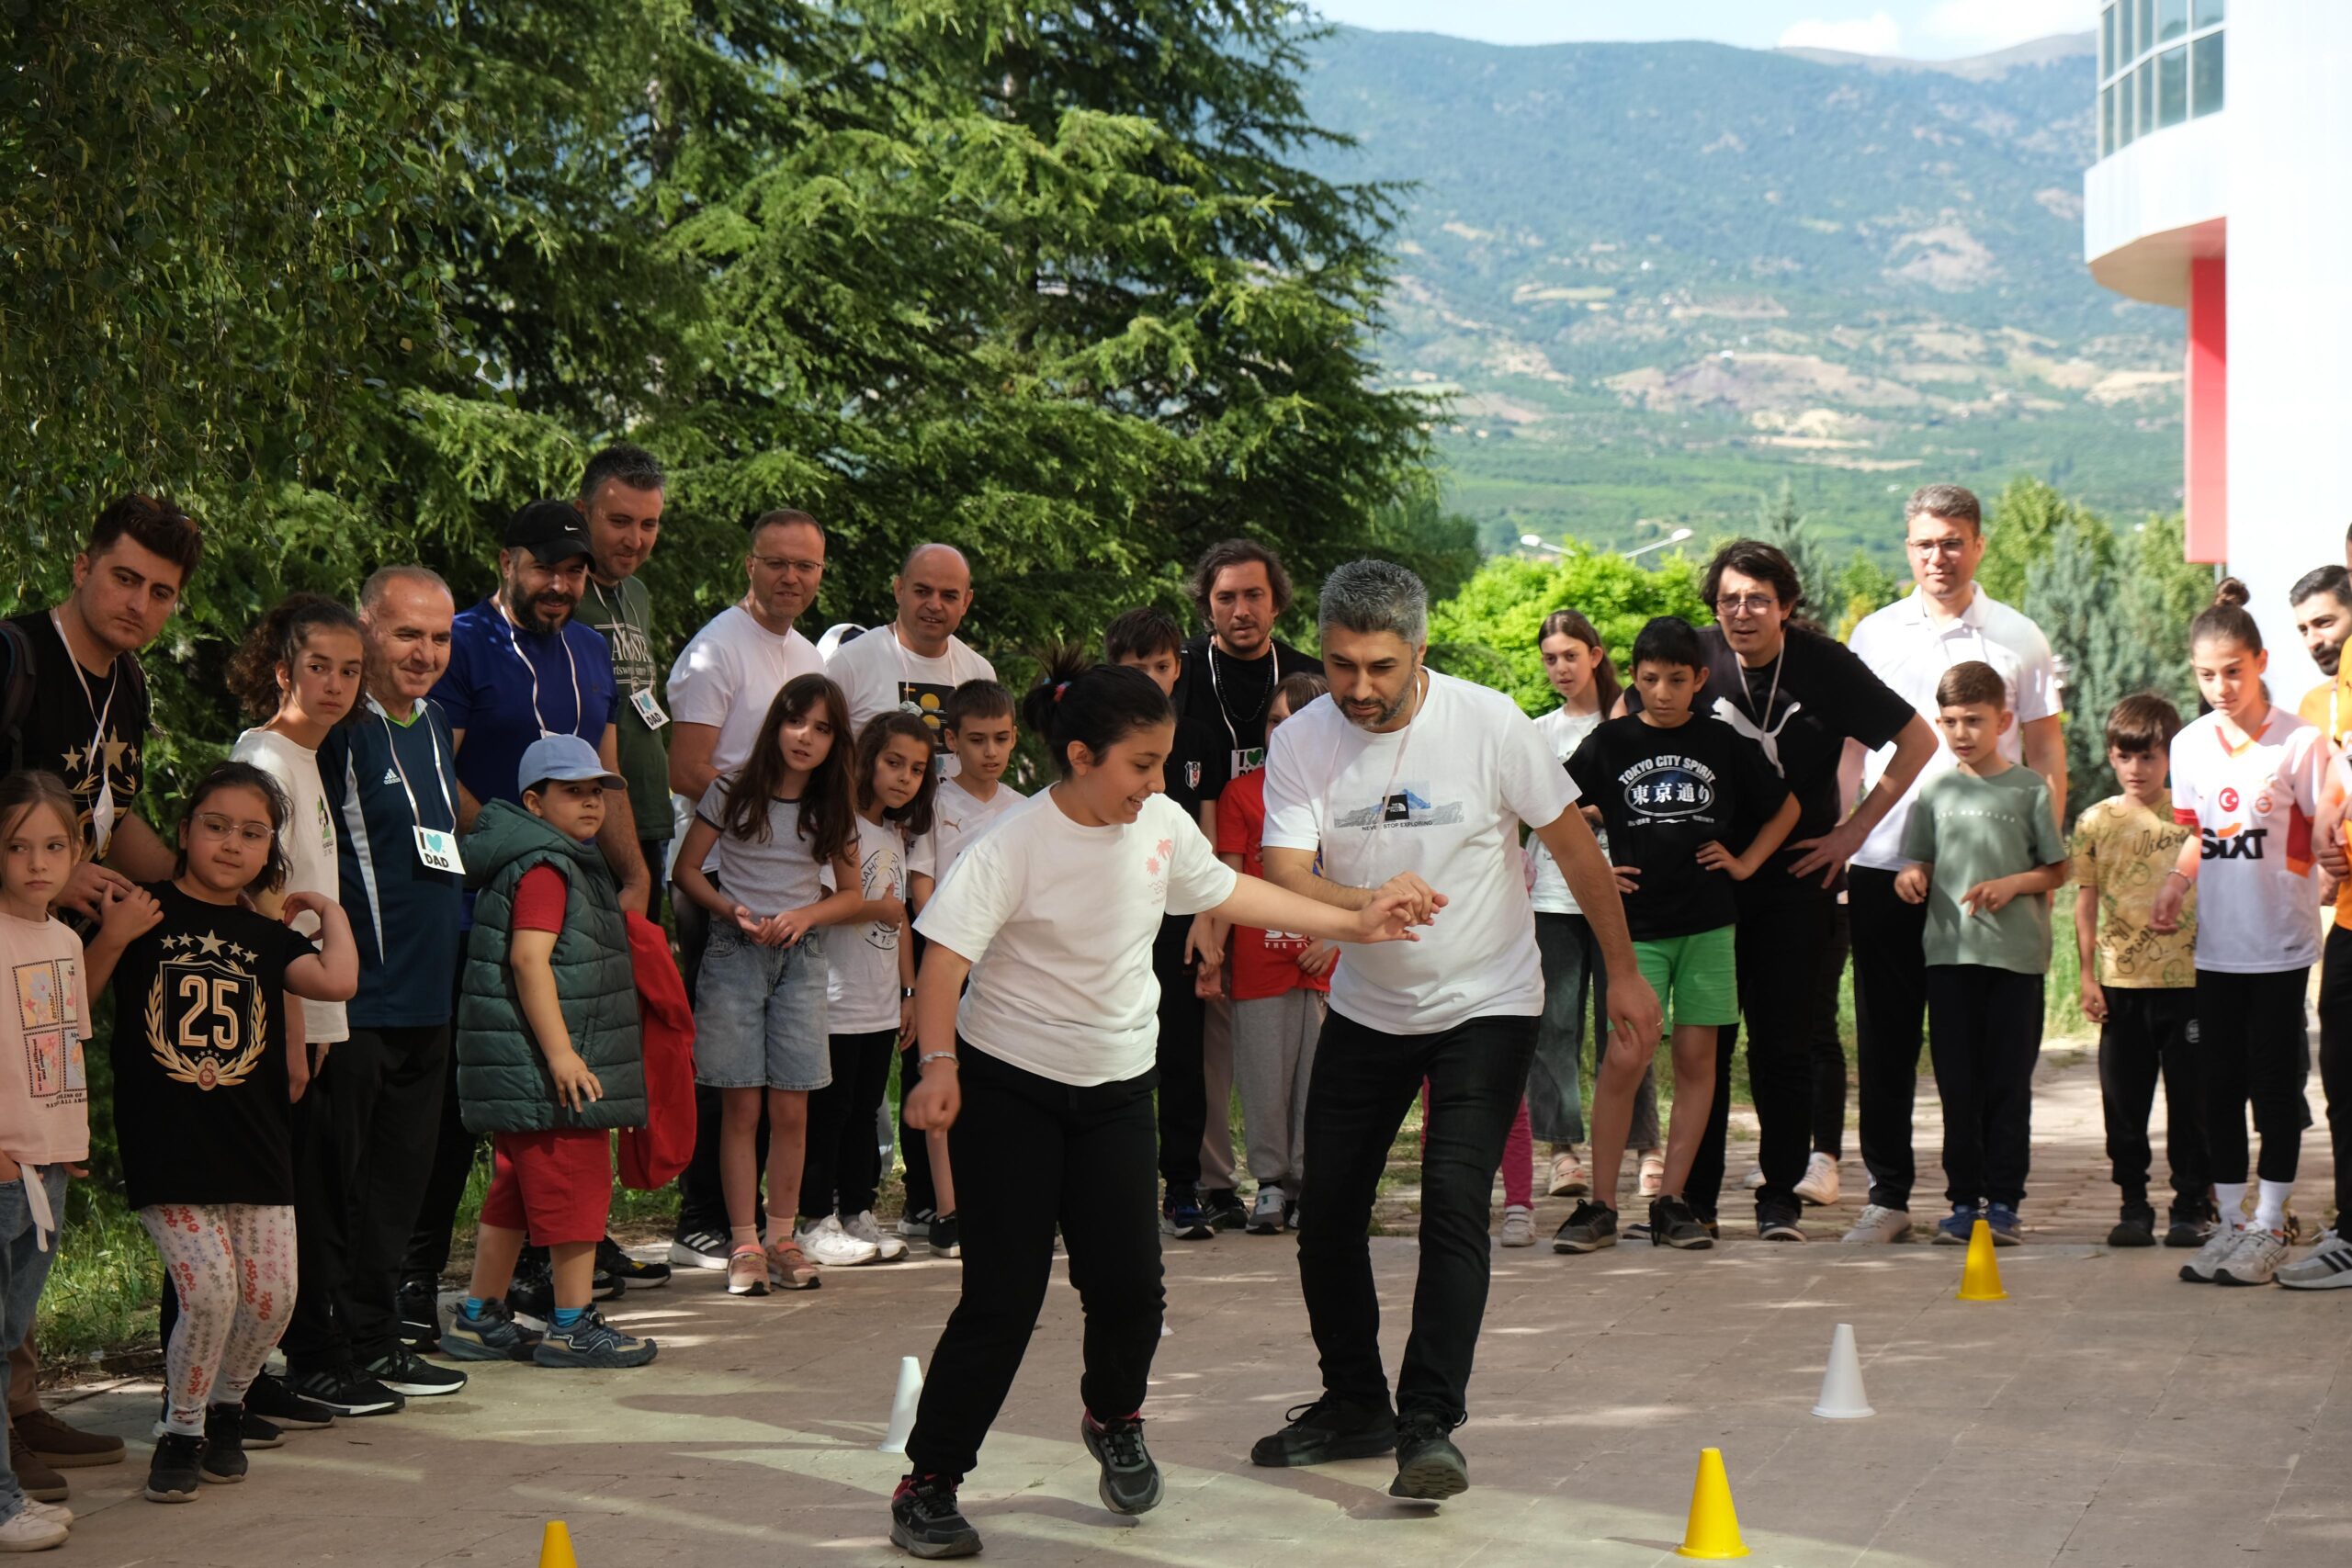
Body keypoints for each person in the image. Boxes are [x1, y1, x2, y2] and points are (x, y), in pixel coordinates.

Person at [885, 655, 1425, 1560]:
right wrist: (937, 1066)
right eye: (1141, 764)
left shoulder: (1161, 825)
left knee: (1132, 1289)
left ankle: (1114, 1418)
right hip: (1008, 1087)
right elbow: (943, 964)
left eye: (1165, 763)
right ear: (1082, 754)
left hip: (1114, 1089)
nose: (1158, 782)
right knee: (1003, 1300)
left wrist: (1357, 919)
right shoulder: (1014, 844)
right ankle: (929, 1483)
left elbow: (1230, 891)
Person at [1249, 560, 1663, 1505]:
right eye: (1342, 664)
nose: (1359, 687)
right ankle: (1353, 1401)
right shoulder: (1303, 740)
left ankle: (1428, 1424)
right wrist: (1362, 906)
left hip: (1487, 1002)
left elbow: (1572, 848)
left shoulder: (1487, 724)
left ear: (1418, 652)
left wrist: (1626, 971)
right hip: (1367, 1006)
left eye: (1380, 667)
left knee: (1449, 1205)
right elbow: (1281, 869)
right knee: (1329, 1216)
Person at [404, 501, 650, 1320]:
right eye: (546, 566)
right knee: (462, 1111)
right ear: (508, 560)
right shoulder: (465, 642)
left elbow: (604, 771)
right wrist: (527, 845)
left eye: (575, 571)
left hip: (575, 903)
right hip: (481, 907)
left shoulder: (588, 647)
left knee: (561, 1110)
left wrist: (632, 874)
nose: (561, 584)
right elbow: (443, 772)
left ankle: (542, 1276)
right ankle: (415, 1277)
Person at [0, 495, 201, 1491]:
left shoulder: (127, 686)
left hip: (57, 968)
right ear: (84, 564)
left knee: (35, 1191)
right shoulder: (16, 657)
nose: (139, 603)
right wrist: (55, 869)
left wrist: (198, 887)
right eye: (126, 577)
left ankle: (21, 1406)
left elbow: (114, 818)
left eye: (161, 593)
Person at [97, 761, 357, 1503]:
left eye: (252, 832)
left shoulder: (264, 934)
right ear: (183, 832)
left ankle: (227, 1407)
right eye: (215, 825)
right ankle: (181, 1431)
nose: (231, 843)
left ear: (270, 848)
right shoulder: (141, 911)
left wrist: (325, 914)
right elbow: (80, 995)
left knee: (273, 1296)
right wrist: (113, 937)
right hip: (170, 1146)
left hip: (257, 1146)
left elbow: (339, 982)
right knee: (208, 1293)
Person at [228, 596, 454, 1412]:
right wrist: (293, 1027)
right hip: (296, 1015)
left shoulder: (312, 752)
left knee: (320, 1192)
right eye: (317, 667)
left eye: (347, 670)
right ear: (282, 668)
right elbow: (262, 908)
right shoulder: (266, 759)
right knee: (304, 1198)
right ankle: (297, 1363)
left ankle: (300, 1362)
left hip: (324, 1007)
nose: (334, 684)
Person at [1844, 487, 2063, 1244]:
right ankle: (1889, 1194)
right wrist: (1844, 845)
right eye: (1924, 543)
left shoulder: (2018, 637)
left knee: (1976, 1051)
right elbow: (1849, 750)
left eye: (1952, 541)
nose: (1938, 556)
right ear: (1907, 547)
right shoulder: (1873, 635)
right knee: (1886, 1040)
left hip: (1984, 882)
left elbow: (2046, 750)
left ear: (1979, 544)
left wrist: (2040, 862)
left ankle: (1982, 1197)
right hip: (1884, 864)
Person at [1554, 616, 1797, 1253]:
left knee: (1697, 1061)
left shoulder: (1723, 742)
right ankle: (1600, 1204)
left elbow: (1787, 805)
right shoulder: (1609, 742)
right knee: (1626, 1057)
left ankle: (1671, 1202)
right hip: (1637, 933)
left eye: (1677, 680)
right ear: (1633, 676)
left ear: (1700, 680)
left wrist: (1745, 862)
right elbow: (1552, 807)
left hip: (1710, 925)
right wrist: (1599, 868)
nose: (1663, 692)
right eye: (1651, 678)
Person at [438, 736, 656, 1369]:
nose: (590, 803)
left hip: (529, 1070)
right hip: (553, 1069)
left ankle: (479, 1315)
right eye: (572, 792)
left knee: (514, 1191)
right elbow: (529, 961)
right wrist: (562, 1055)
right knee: (574, 1192)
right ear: (534, 802)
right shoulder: (546, 866)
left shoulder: (551, 858)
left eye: (596, 791)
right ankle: (572, 1324)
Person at [672, 673, 886, 1292]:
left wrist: (802, 916)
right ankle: (744, 1242)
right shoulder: (733, 789)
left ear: (834, 741)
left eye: (822, 728)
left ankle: (783, 1235)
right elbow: (688, 870)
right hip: (735, 954)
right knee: (741, 1101)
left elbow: (851, 895)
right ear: (776, 724)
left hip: (802, 957)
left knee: (793, 1105)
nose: (806, 737)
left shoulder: (833, 805)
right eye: (797, 721)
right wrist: (729, 908)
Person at [664, 509, 830, 1269]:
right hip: (727, 882)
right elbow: (687, 766)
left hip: (792, 900)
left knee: (786, 1085)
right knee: (726, 1071)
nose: (792, 577)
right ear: (750, 565)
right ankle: (706, 1216)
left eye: (807, 566)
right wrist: (758, 818)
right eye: (778, 563)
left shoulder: (801, 653)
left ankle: (779, 1228)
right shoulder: (715, 650)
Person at [2154, 581, 2327, 1289]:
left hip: (2280, 946)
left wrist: (2331, 868)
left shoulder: (2300, 741)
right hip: (2217, 947)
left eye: (2233, 670)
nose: (2220, 686)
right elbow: (2198, 835)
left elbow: (2323, 834)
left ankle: (2271, 1223)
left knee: (2274, 1087)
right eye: (2205, 674)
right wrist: (2176, 880)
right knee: (2216, 1087)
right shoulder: (2190, 744)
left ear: (2259, 661)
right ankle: (2229, 1222)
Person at [325, 570, 472, 1391]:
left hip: (428, 994)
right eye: (406, 634)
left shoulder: (437, 722)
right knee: (347, 1185)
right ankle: (334, 1347)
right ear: (366, 628)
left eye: (440, 637)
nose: (425, 654)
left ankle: (380, 1335)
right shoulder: (339, 729)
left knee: (401, 1186)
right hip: (358, 1000)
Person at [0, 773, 141, 1551]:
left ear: (79, 850)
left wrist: (66, 1140)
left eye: (54, 845)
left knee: (11, 1331)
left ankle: (5, 1492)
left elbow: (61, 1046)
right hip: (1, 1168)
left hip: (44, 1169)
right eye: (17, 846)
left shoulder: (60, 938)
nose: (35, 862)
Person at [1172, 543, 1325, 1232]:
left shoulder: (1304, 676)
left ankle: (1300, 1174)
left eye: (1254, 596)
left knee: (1294, 1045)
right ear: (1207, 602)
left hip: (1290, 885)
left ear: (1276, 599)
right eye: (1226, 597)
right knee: (1212, 1041)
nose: (1241, 609)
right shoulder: (1179, 673)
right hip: (1197, 867)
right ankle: (1215, 1179)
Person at [1893, 660, 2070, 1247]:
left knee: (2006, 1086)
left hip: (2015, 962)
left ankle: (2005, 1202)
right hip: (1949, 959)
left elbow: (2057, 869)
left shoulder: (2027, 789)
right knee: (1957, 1087)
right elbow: (1916, 859)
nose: (1962, 732)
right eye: (1950, 721)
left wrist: (2013, 884)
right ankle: (1963, 1201)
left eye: (1975, 720)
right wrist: (1911, 878)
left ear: (2004, 720)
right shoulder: (1936, 789)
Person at [1524, 608, 1657, 1201]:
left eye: (1570, 656)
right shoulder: (1535, 732)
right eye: (1550, 658)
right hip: (1550, 896)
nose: (1560, 668)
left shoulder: (1629, 725)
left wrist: (1599, 821)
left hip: (1621, 898)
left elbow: (1641, 805)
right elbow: (1530, 814)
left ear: (1596, 655)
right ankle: (1564, 1151)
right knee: (1553, 1028)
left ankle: (1645, 1147)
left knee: (1626, 1024)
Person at [1106, 606, 1229, 1237]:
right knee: (1112, 1054)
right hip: (1112, 919)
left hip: (1180, 917)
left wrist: (1210, 922)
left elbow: (1208, 843)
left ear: (1178, 667)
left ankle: (1183, 1188)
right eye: (1137, 667)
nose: (1151, 678)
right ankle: (1108, 1190)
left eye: (1162, 665)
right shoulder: (1094, 741)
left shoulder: (1200, 737)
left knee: (1181, 1056)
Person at [2072, 692, 2211, 1250]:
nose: (2138, 769)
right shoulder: (2095, 822)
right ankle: (2133, 1204)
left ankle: (2191, 1206)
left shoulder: (2192, 818)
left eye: (2149, 757)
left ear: (2170, 757)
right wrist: (2086, 976)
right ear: (2111, 756)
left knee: (2192, 1103)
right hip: (2120, 986)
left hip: (2189, 985)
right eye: (2126, 757)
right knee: (2123, 1104)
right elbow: (2085, 902)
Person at [798, 711, 935, 1265]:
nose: (905, 777)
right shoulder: (838, 824)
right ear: (867, 759)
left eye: (918, 769)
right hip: (833, 999)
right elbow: (833, 909)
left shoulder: (895, 834)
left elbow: (899, 921)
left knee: (864, 1111)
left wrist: (908, 993)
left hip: (880, 1003)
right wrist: (880, 906)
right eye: (894, 762)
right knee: (826, 1114)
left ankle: (857, 1211)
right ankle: (814, 1217)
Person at [900, 679, 1024, 1258]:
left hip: (1008, 972)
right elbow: (921, 889)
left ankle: (1005, 1203)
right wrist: (958, 943)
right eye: (977, 740)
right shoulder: (934, 803)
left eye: (1001, 739)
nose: (991, 752)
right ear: (950, 739)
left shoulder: (1026, 811)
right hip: (950, 964)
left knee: (1004, 1092)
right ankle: (948, 1210)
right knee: (945, 1078)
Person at [1213, 671, 1334, 1235]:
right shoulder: (1242, 793)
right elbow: (1228, 881)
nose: (1282, 732)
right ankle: (1267, 1183)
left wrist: (1332, 937)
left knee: (1320, 1079)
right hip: (1259, 961)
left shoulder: (1344, 790)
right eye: (1273, 722)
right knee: (1264, 1076)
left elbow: (1363, 876)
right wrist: (1214, 944)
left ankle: (1313, 1182)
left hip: (1328, 965)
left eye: (1295, 722)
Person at [572, 444, 673, 924]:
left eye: (648, 524)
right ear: (582, 512)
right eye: (620, 521)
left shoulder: (638, 592)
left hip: (648, 815)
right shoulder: (560, 593)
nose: (636, 539)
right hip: (588, 820)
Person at [826, 544, 997, 763]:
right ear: (899, 589)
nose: (935, 605)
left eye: (949, 596)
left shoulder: (980, 673)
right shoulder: (850, 663)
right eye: (922, 591)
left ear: (966, 601)